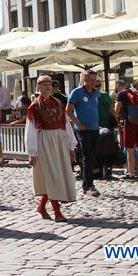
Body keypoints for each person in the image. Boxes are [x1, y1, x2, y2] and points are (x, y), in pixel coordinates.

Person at [25, 75, 78, 223]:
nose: (47, 87)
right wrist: (32, 151)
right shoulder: (34, 107)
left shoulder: (58, 103)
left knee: (58, 175)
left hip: (59, 140)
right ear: (38, 87)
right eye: (44, 85)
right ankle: (57, 211)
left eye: (49, 84)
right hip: (45, 141)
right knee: (51, 175)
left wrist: (71, 145)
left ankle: (42, 207)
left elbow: (65, 123)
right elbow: (31, 130)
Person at [66, 71, 102, 196]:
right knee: (88, 156)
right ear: (85, 79)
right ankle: (88, 185)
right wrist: (78, 124)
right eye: (91, 80)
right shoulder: (77, 92)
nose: (94, 82)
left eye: (95, 80)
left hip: (95, 128)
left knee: (92, 156)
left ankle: (87, 183)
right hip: (83, 129)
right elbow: (68, 111)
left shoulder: (97, 93)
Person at [115, 82, 138, 180]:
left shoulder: (121, 94)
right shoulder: (136, 93)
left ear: (119, 88)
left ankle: (130, 173)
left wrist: (116, 116)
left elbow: (116, 110)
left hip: (129, 123)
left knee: (129, 149)